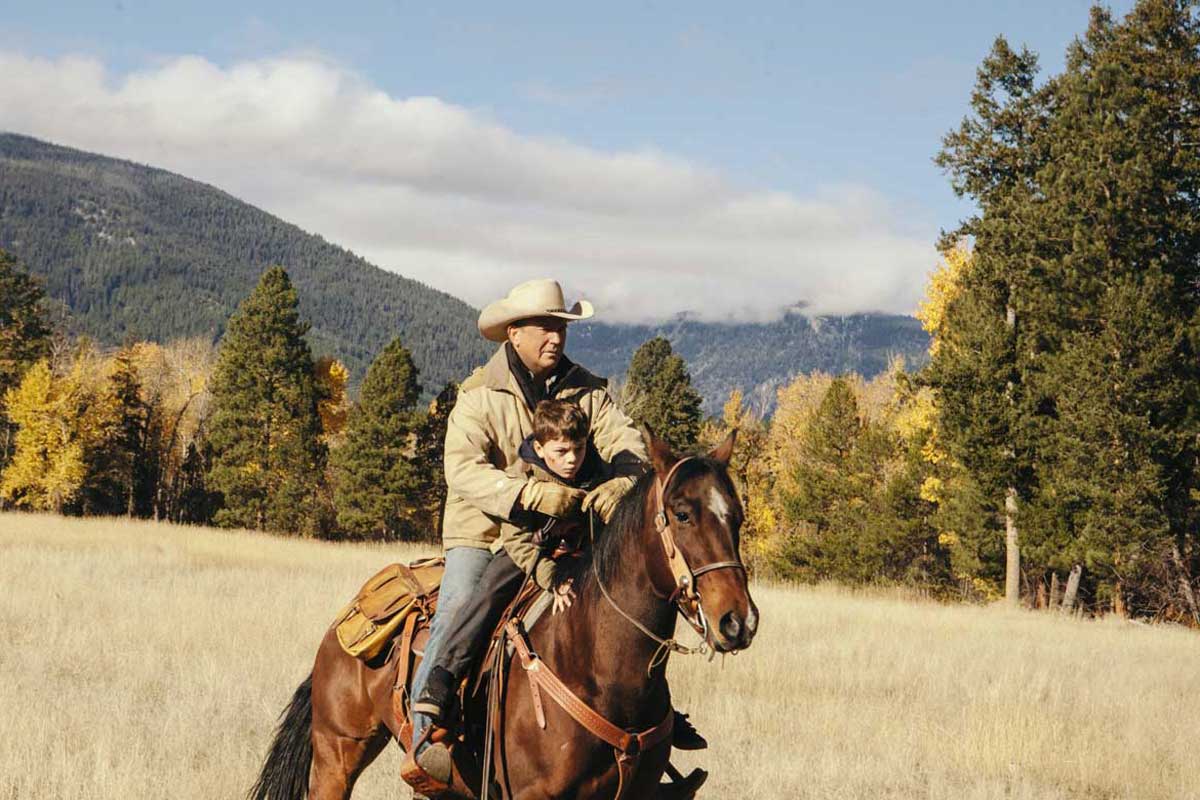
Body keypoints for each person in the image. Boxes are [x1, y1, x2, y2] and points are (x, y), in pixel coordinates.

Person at [405, 279, 706, 789]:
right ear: (514, 332)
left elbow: (626, 440)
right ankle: (429, 725)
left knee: (631, 603)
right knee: (462, 601)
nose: (556, 337)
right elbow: (462, 469)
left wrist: (623, 482)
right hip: (488, 532)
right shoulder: (480, 394)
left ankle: (653, 722)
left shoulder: (586, 389)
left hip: (574, 528)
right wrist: (526, 497)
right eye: (545, 326)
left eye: (561, 327)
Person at [412, 399, 605, 728]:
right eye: (561, 451)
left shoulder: (595, 474)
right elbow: (516, 541)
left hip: (580, 553)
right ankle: (443, 676)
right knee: (486, 593)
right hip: (529, 554)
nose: (572, 459)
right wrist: (551, 577)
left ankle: (657, 710)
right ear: (541, 449)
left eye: (579, 449)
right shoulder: (527, 479)